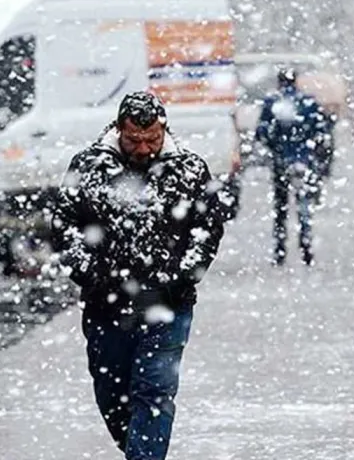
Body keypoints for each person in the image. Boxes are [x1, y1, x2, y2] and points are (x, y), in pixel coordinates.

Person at [50, 91, 225, 459]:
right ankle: (139, 449)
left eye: (152, 139)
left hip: (166, 304)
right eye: (134, 140)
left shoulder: (190, 170)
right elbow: (64, 227)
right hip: (106, 303)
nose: (144, 148)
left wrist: (180, 278)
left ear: (164, 131)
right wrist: (90, 274)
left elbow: (207, 230)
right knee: (112, 393)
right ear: (118, 130)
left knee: (154, 392)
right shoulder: (88, 168)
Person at [255, 68, 327, 266]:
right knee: (304, 206)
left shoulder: (272, 103)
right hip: (304, 162)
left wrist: (275, 148)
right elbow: (321, 131)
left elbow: (262, 132)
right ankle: (306, 248)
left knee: (281, 208)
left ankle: (280, 249)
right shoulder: (308, 103)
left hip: (281, 162)